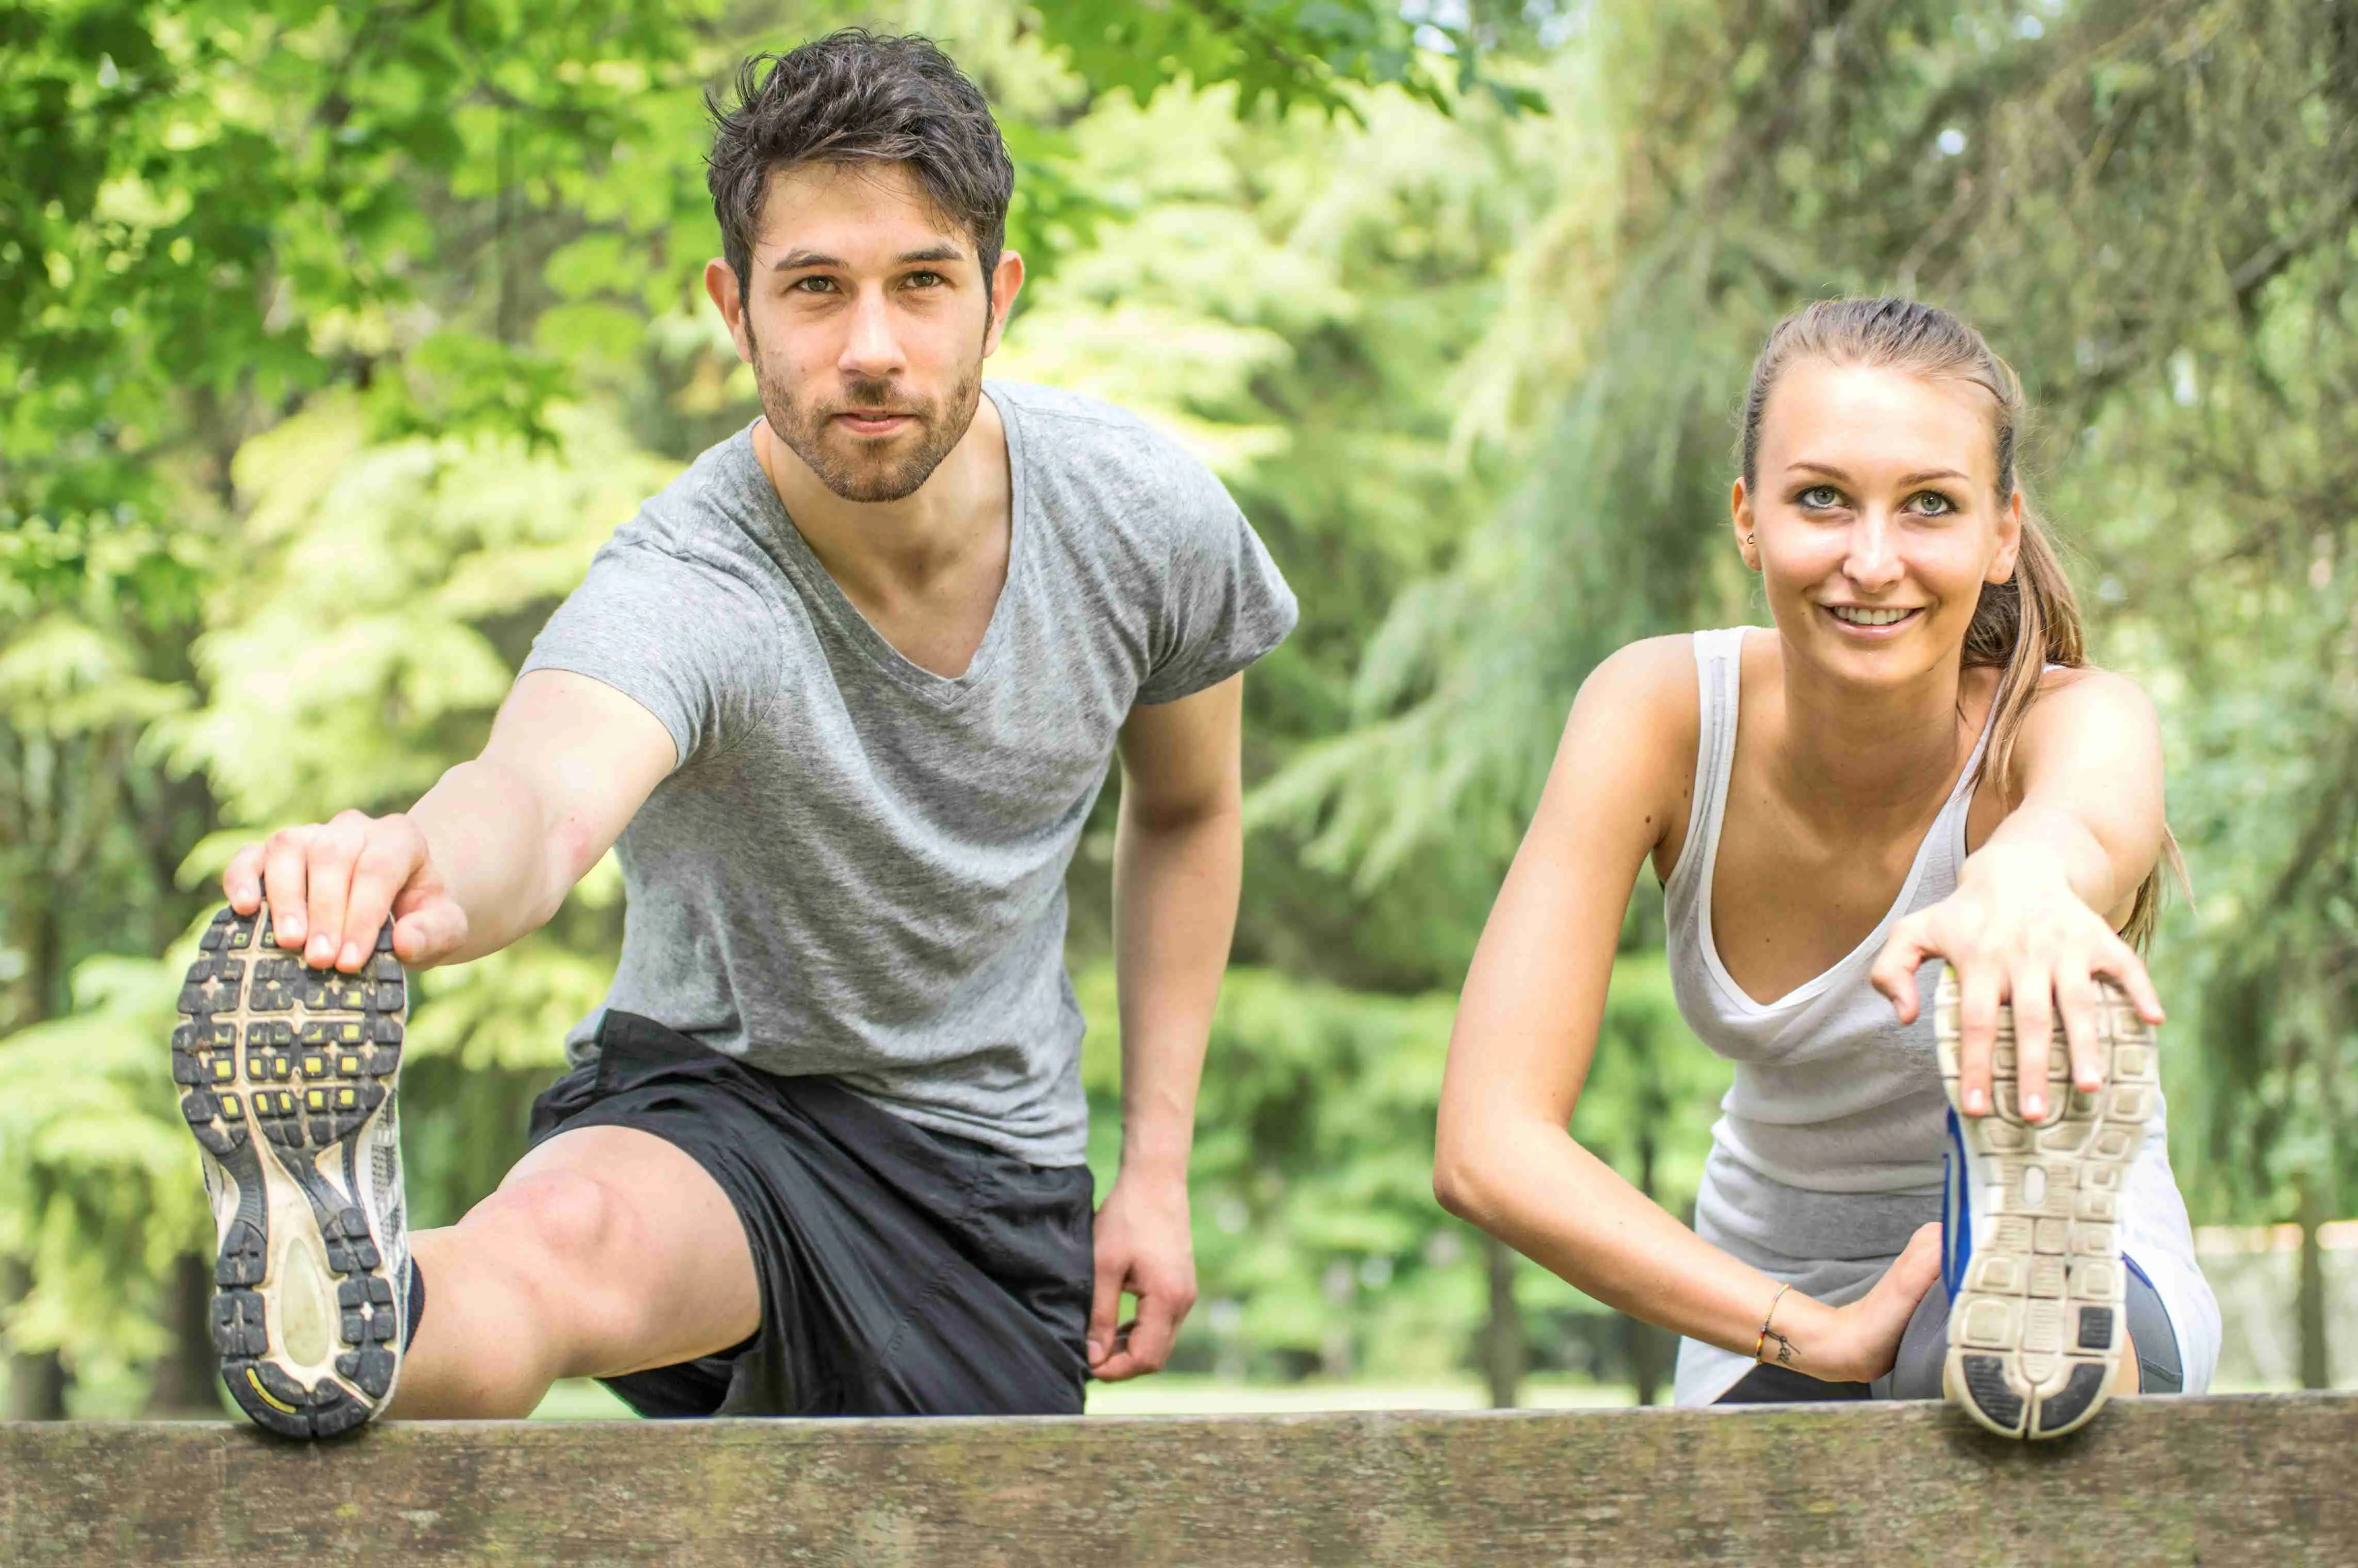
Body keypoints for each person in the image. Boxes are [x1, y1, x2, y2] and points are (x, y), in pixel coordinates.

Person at [172, 30, 1297, 1438]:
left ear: (997, 297)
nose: (871, 348)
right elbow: (537, 796)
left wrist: (1158, 1167)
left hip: (990, 1175)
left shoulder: (1144, 520)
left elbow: (1189, 812)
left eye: (921, 285)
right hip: (719, 1105)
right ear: (735, 309)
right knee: (564, 1243)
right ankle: (352, 1316)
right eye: (814, 289)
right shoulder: (690, 580)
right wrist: (408, 868)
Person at [1432, 297, 2219, 1438]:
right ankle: (1934, 1328)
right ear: (1748, 520)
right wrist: (1808, 1327)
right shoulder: (1655, 714)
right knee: (1866, 1415)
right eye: (1821, 498)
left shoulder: (2074, 720)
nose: (1871, 559)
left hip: (2081, 1268)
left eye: (1930, 506)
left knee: (1974, 1376)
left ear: (2003, 533)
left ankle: (2019, 1266)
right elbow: (1488, 1144)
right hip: (1771, 1281)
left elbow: (2091, 820)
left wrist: (2020, 881)